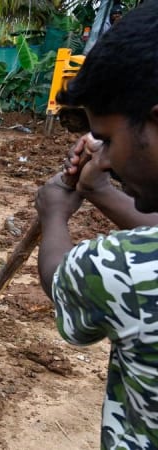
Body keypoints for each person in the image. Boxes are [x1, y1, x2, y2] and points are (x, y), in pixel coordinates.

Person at [35, 2, 158, 448]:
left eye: (107, 139)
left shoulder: (127, 268)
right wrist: (100, 190)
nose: (102, 155)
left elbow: (62, 279)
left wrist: (54, 213)